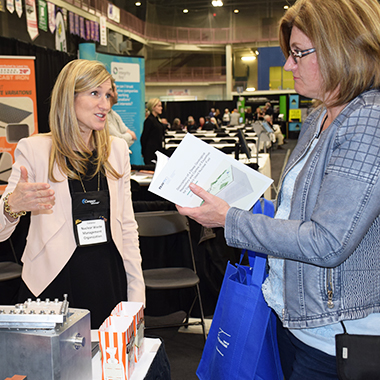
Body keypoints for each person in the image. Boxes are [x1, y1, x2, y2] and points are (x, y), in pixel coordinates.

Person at [176, 0, 380, 378]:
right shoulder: (321, 115)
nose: (289, 65)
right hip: (295, 318)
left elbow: (327, 241)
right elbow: (298, 213)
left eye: (299, 53)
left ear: (343, 49)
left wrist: (229, 218)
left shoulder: (369, 119)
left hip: (336, 334)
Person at [0, 59, 145, 329]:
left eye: (107, 95)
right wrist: (12, 206)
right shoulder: (34, 150)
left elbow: (127, 227)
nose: (105, 104)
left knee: (108, 368)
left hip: (109, 279)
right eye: (95, 94)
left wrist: (137, 294)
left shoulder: (116, 151)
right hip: (54, 281)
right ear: (70, 96)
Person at [108, 81, 137, 148]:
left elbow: (126, 132)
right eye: (116, 91)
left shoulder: (114, 114)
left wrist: (126, 137)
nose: (117, 94)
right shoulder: (104, 116)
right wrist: (130, 135)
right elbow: (118, 140)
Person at [140, 98, 165, 165]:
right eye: (159, 106)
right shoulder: (149, 121)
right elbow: (144, 138)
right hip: (151, 152)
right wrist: (144, 152)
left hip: (158, 151)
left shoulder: (157, 120)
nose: (161, 108)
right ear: (153, 107)